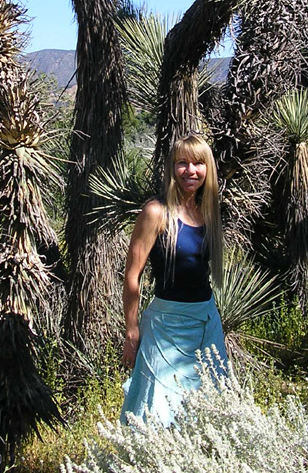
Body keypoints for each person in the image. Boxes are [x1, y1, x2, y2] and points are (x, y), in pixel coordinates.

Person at [120, 133, 227, 426]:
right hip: (165, 328)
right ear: (172, 167)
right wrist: (132, 332)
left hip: (206, 323)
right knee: (155, 414)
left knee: (211, 413)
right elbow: (132, 276)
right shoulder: (155, 212)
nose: (190, 171)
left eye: (198, 163)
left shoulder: (208, 210)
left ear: (208, 168)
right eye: (182, 163)